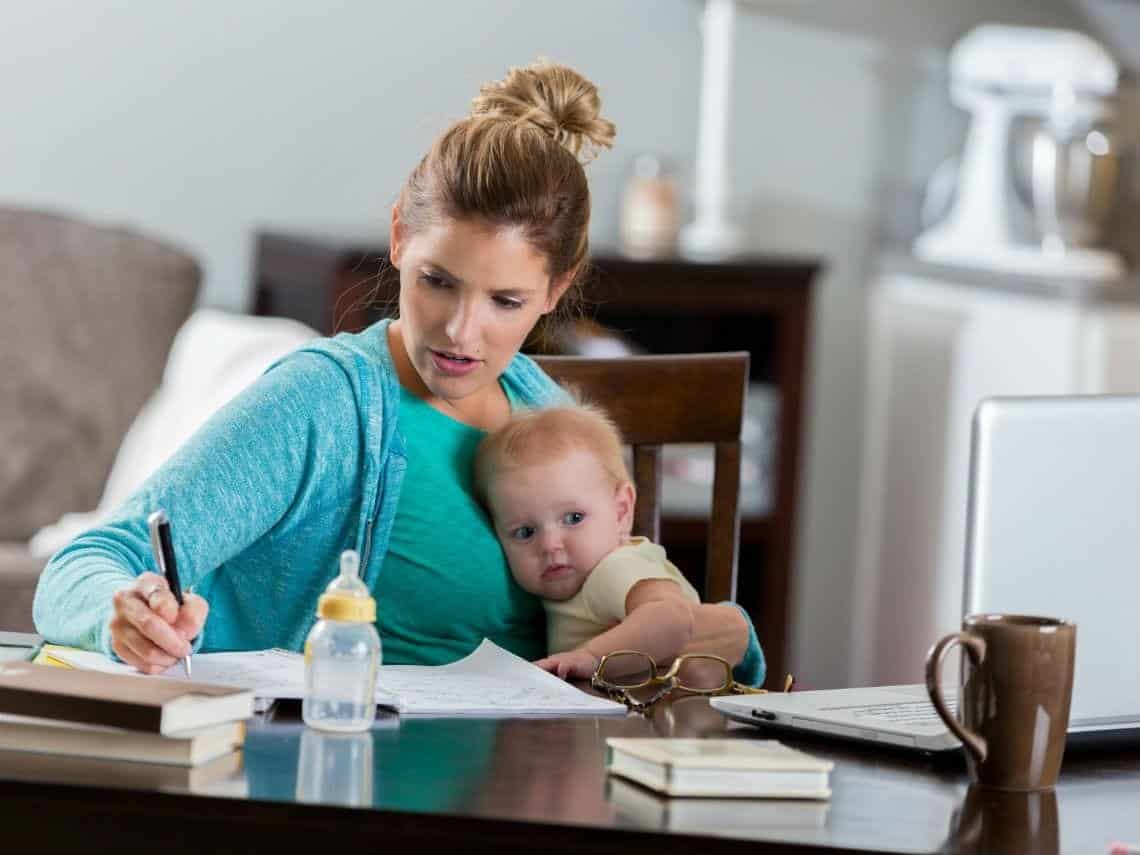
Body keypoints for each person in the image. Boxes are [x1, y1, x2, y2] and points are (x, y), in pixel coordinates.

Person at [33, 58, 760, 683]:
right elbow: (92, 557)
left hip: (534, 780)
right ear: (399, 237)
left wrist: (723, 635)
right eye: (438, 280)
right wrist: (120, 614)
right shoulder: (323, 402)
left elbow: (656, 608)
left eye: (506, 301)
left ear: (555, 292)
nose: (459, 331)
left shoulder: (549, 419)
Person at [474, 402, 765, 685]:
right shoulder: (579, 581)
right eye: (525, 532)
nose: (550, 545)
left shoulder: (615, 568)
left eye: (574, 518)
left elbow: (673, 617)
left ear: (621, 511)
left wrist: (591, 657)